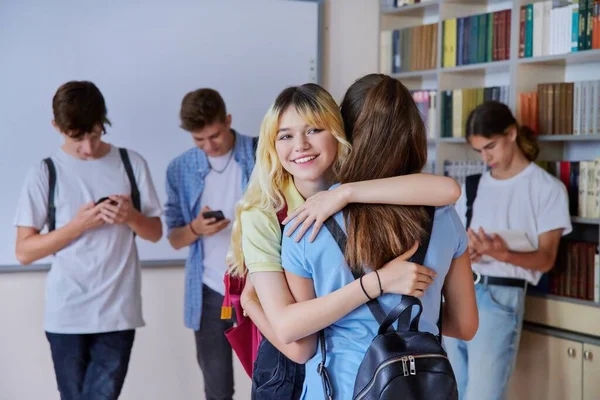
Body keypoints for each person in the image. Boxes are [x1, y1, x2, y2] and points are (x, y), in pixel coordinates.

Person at [229, 80, 472, 398]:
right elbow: (464, 326)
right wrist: (391, 293)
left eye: (314, 130)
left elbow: (304, 343)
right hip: (409, 383)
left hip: (334, 384)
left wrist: (345, 193)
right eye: (285, 135)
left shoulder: (309, 226)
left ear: (341, 133)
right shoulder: (271, 216)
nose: (301, 145)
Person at [14, 80, 163, 400]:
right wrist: (78, 225)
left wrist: (131, 217)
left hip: (118, 312)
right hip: (66, 314)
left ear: (104, 121)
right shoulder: (45, 172)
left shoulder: (130, 163)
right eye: (76, 138)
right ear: (57, 126)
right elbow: (24, 251)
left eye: (94, 134)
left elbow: (155, 233)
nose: (88, 148)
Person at [444, 101, 572, 400]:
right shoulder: (473, 186)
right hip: (458, 292)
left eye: (491, 146)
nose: (486, 157)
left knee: (481, 395)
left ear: (511, 134)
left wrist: (501, 253)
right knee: (450, 391)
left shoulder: (546, 188)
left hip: (500, 298)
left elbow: (547, 259)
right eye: (479, 151)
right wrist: (469, 252)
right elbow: (457, 241)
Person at [165, 88, 256, 400]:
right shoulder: (180, 169)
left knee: (271, 378)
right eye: (198, 140)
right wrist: (195, 228)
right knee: (217, 388)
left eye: (214, 135)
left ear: (228, 120)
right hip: (208, 291)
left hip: (258, 283)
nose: (208, 146)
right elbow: (174, 238)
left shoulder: (261, 155)